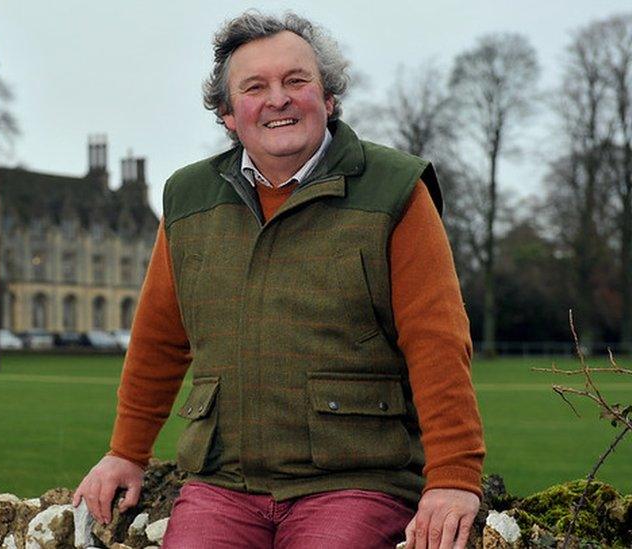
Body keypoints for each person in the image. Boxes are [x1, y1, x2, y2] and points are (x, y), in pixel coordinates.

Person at [73, 11, 484, 549]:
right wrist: (126, 451)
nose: (279, 99)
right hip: (225, 484)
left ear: (329, 99)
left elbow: (436, 338)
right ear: (227, 113)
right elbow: (159, 338)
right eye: (255, 87)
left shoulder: (395, 190)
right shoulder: (189, 198)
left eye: (297, 81)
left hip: (356, 481)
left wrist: (454, 478)